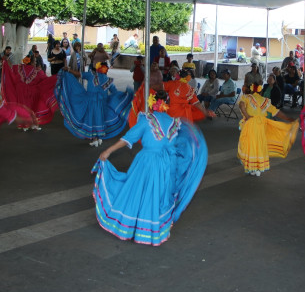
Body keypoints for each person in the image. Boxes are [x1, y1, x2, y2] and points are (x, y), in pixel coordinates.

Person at [92, 91, 208, 246]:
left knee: (139, 191)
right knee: (160, 194)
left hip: (147, 162)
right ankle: (156, 228)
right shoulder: (175, 123)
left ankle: (135, 226)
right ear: (167, 104)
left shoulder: (146, 120)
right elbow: (178, 143)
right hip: (167, 163)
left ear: (152, 103)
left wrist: (108, 151)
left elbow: (128, 139)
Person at [55, 62, 134, 147]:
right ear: (106, 70)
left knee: (91, 120)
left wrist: (69, 70)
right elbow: (115, 92)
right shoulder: (108, 80)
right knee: (100, 119)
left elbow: (78, 74)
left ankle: (95, 139)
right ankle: (98, 138)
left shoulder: (91, 75)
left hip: (90, 102)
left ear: (97, 69)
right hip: (102, 104)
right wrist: (123, 97)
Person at [237, 84, 298, 176]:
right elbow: (276, 112)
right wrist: (288, 119)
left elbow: (241, 105)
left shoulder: (246, 97)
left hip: (250, 124)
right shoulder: (265, 101)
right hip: (261, 126)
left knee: (250, 144)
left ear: (251, 91)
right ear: (261, 92)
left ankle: (252, 167)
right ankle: (258, 168)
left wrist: (247, 116)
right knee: (259, 144)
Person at [1, 56, 59, 130]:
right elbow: (44, 80)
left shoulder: (17, 68)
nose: (35, 63)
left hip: (20, 92)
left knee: (23, 108)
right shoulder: (37, 70)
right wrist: (56, 78)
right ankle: (33, 124)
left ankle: (23, 125)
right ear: (31, 62)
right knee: (32, 108)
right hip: (33, 92)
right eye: (34, 61)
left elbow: (10, 69)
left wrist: (5, 61)